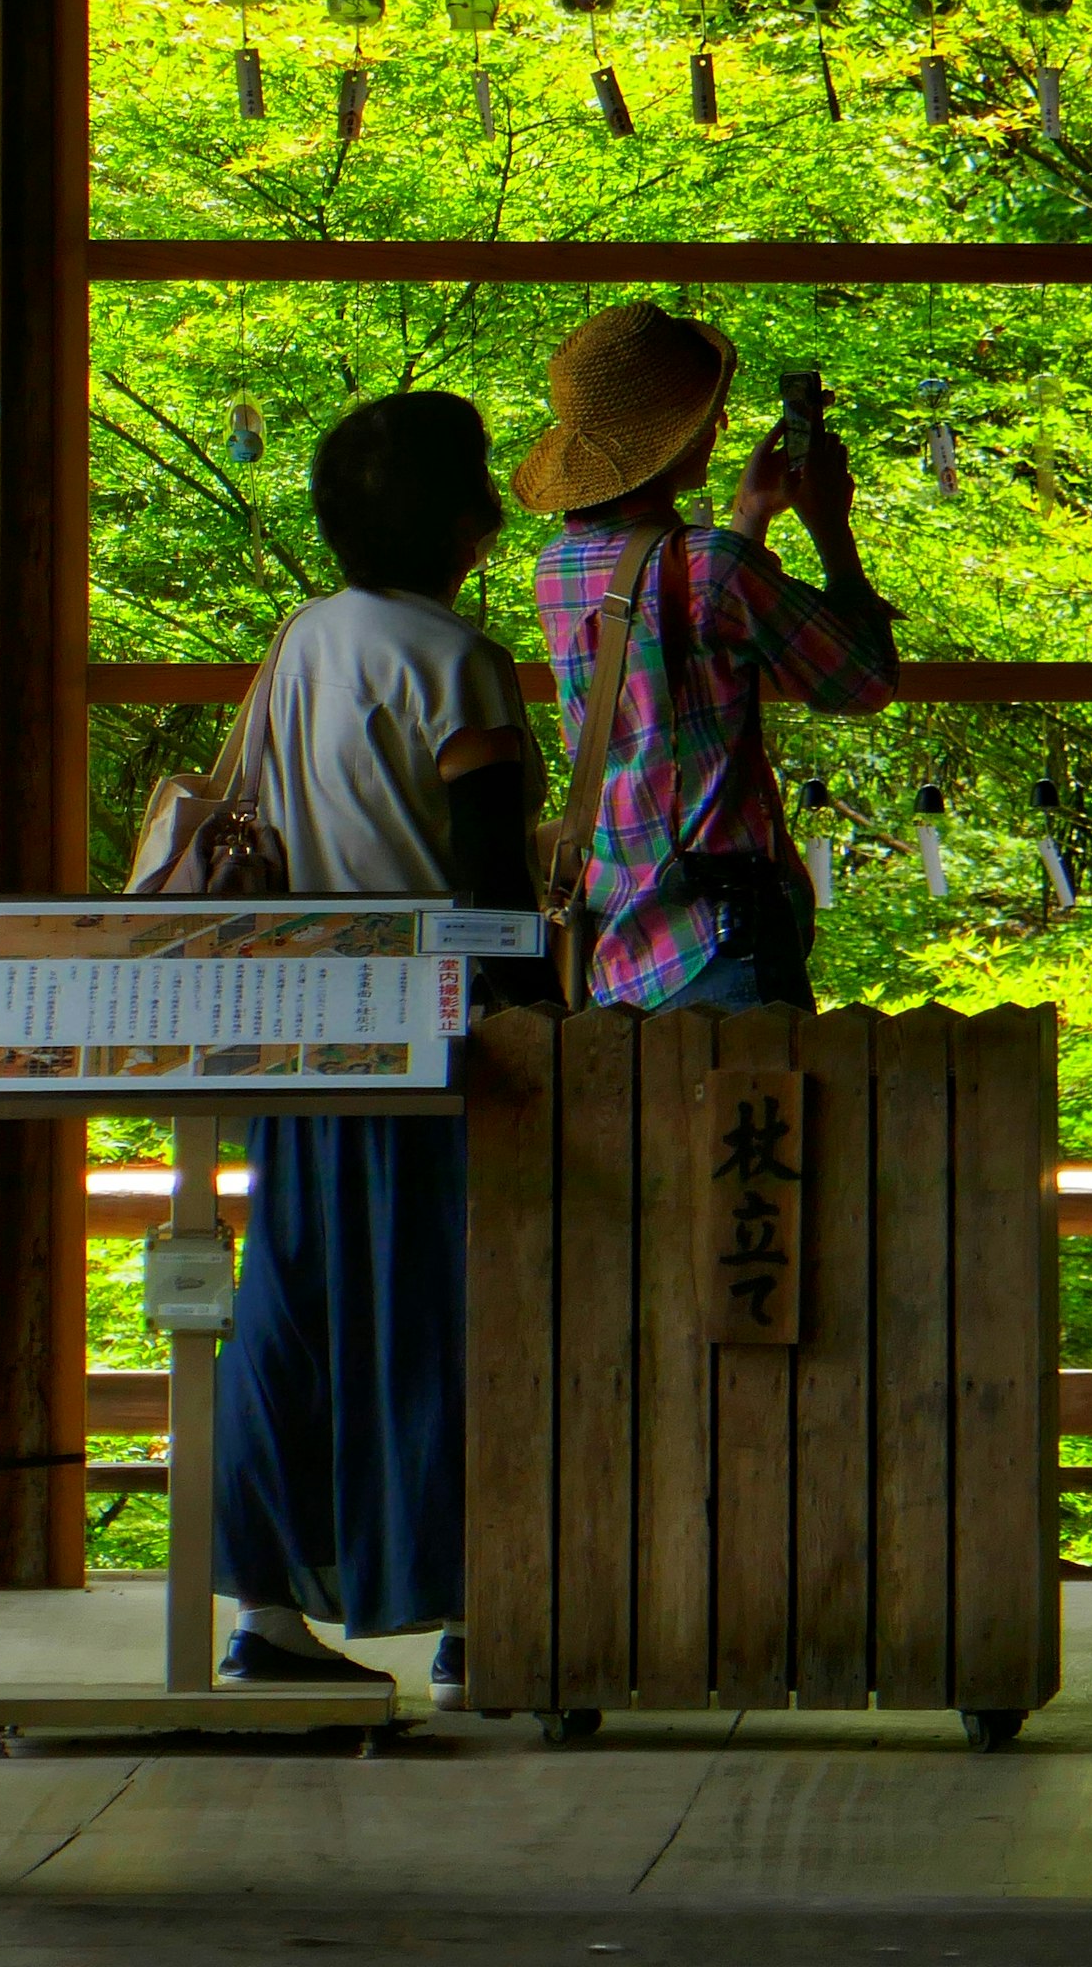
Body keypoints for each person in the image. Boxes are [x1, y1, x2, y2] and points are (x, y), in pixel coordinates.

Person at [211, 389, 538, 1708]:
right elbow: (491, 877)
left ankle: (265, 1613)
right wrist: (532, 1021)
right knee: (450, 1320)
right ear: (460, 519)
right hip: (430, 1026)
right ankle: (471, 1615)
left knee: (286, 1316)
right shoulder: (458, 661)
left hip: (302, 1026)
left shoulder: (305, 639)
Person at [515, 304, 898, 1011]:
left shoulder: (557, 569)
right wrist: (829, 526)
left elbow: (677, 674)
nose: (719, 427)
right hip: (724, 941)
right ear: (674, 440)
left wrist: (750, 516)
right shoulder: (714, 569)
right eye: (707, 415)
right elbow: (863, 679)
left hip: (625, 941)